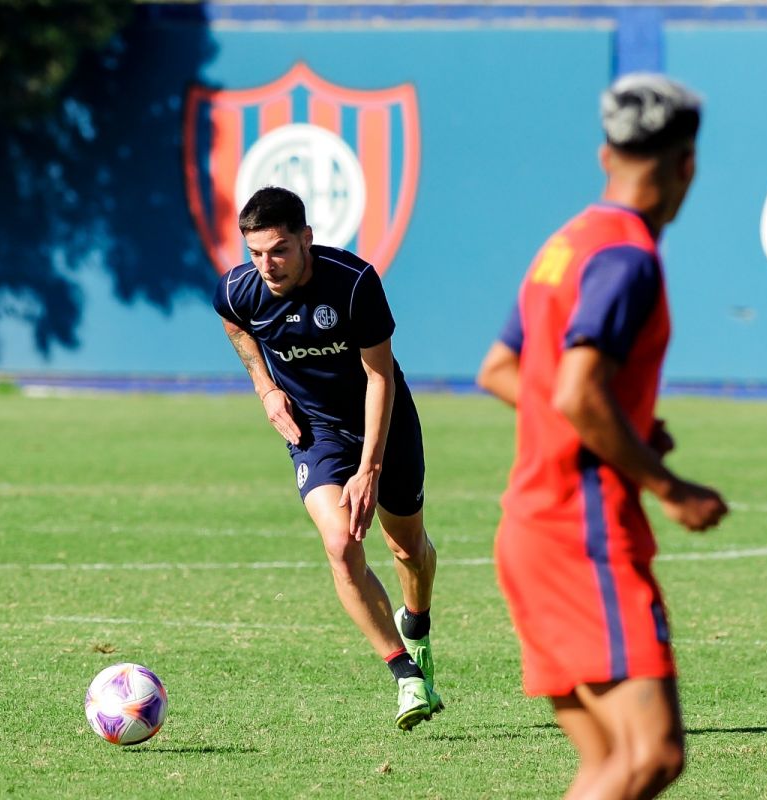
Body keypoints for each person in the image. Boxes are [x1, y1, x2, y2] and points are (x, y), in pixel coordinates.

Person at [476, 73, 729, 799]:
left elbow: (502, 370)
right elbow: (575, 389)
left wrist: (628, 425)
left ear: (604, 155)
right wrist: (669, 485)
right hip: (582, 536)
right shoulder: (629, 257)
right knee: (651, 757)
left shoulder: (568, 243)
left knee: (608, 765)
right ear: (687, 165)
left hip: (529, 530)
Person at [213, 186, 444, 731]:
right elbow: (235, 326)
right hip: (315, 432)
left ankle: (418, 625)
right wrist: (266, 389)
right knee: (342, 544)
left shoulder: (354, 283)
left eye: (279, 250)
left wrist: (370, 468)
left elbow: (379, 376)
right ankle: (406, 675)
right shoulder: (238, 290)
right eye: (255, 253)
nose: (266, 265)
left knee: (406, 547)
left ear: (306, 239)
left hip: (381, 421)